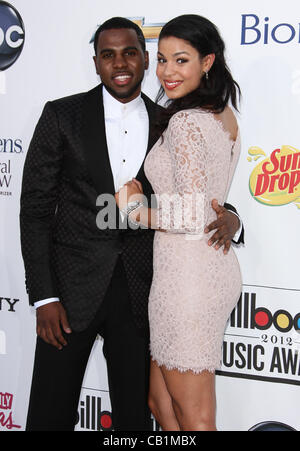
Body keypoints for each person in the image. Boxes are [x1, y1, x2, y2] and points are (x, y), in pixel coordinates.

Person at [20, 17, 243, 431]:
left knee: (138, 418)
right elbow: (34, 210)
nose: (119, 63)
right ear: (95, 62)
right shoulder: (61, 115)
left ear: (143, 60)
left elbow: (200, 193)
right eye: (108, 55)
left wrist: (232, 217)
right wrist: (43, 297)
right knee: (49, 415)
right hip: (70, 291)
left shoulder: (172, 118)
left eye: (131, 54)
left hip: (147, 290)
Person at [115, 14, 243, 431]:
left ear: (208, 62)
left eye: (182, 60)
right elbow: (210, 203)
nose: (168, 72)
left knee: (194, 415)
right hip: (196, 270)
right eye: (164, 59)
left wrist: (134, 210)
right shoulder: (223, 115)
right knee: (161, 404)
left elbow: (191, 214)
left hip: (188, 278)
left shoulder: (187, 122)